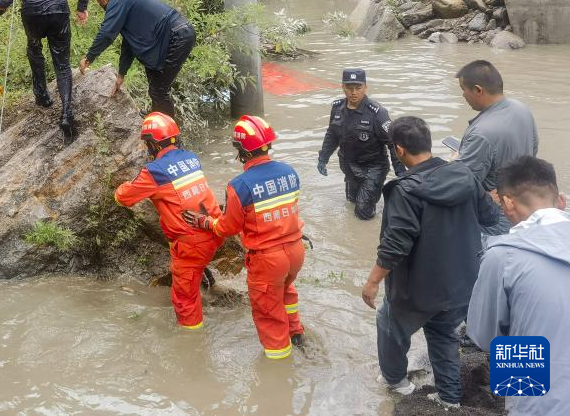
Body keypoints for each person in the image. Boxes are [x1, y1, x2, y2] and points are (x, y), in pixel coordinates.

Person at [361, 116, 499, 409]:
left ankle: (398, 383)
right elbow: (489, 217)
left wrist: (372, 281)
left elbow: (396, 244)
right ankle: (449, 398)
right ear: (428, 141)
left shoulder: (404, 190)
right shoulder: (465, 175)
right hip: (461, 285)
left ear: (399, 150)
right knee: (444, 335)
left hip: (416, 291)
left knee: (390, 327)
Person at [184, 115, 306, 359]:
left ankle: (279, 366)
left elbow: (228, 228)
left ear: (243, 152)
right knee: (286, 292)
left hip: (268, 260)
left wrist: (205, 221)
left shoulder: (239, 185)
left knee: (268, 314)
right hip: (295, 250)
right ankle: (297, 334)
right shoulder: (289, 172)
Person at [467, 156, 569, 416]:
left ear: (508, 202)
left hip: (542, 402)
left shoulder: (503, 256)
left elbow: (485, 336)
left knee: (518, 343)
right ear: (560, 201)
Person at [114, 112, 224, 329]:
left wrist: (121, 187)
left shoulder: (154, 172)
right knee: (192, 266)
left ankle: (191, 341)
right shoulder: (191, 158)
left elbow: (123, 198)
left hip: (192, 243)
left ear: (153, 144)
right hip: (215, 230)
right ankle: (207, 282)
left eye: (147, 144)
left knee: (184, 299)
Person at [0, 0, 92, 137]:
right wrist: (82, 8)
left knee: (34, 49)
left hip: (32, 12)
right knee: (62, 64)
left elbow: (5, 0)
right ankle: (66, 114)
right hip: (58, 8)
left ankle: (42, 96)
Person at [78, 0, 195, 120]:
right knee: (155, 80)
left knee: (159, 90)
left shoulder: (117, 1)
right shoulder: (125, 0)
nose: (100, 5)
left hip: (177, 35)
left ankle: (168, 132)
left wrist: (88, 58)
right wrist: (121, 75)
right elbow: (129, 44)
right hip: (176, 35)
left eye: (97, 1)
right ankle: (157, 116)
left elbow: (107, 33)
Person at [455, 60, 539, 235]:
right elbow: (533, 150)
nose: (462, 95)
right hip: (524, 209)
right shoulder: (522, 110)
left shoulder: (481, 133)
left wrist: (455, 162)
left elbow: (460, 186)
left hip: (494, 218)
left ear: (478, 90)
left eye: (463, 89)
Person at [317, 68, 406, 219]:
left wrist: (401, 172)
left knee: (362, 211)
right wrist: (323, 158)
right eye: (349, 88)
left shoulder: (377, 113)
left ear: (365, 87)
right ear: (342, 87)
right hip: (349, 166)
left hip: (373, 167)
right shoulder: (337, 108)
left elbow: (393, 143)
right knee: (351, 202)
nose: (353, 92)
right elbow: (332, 134)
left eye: (358, 88)